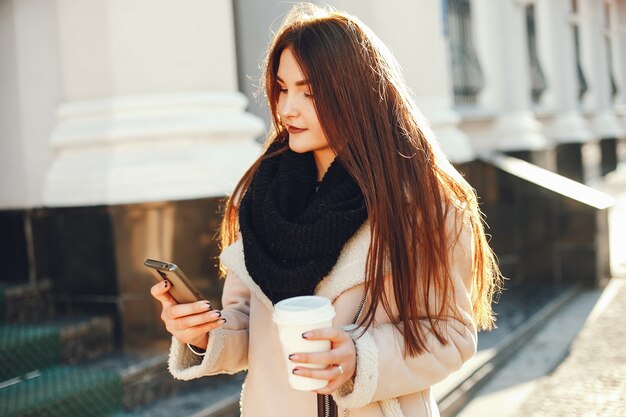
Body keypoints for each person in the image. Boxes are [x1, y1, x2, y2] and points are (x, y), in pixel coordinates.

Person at [150, 3, 501, 417]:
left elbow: (451, 336)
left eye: (309, 92)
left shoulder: (421, 203)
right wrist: (203, 335)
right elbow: (248, 324)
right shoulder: (264, 196)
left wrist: (358, 358)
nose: (286, 109)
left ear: (356, 94)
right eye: (282, 88)